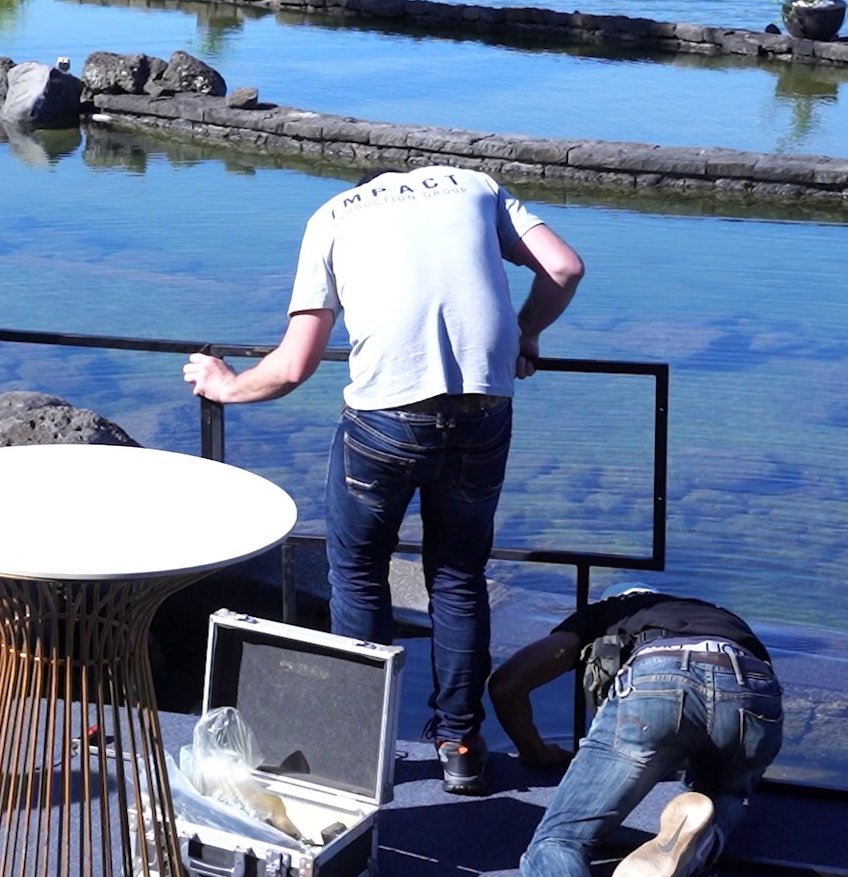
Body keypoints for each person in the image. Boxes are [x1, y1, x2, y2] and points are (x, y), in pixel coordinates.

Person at [182, 164, 583, 795]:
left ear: (366, 188)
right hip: (483, 412)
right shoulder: (474, 186)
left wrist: (225, 385)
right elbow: (563, 268)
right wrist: (525, 332)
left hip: (385, 425)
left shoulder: (334, 218)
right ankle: (461, 745)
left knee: (361, 576)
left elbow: (293, 366)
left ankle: (363, 746)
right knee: (457, 578)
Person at [490, 584, 785, 877]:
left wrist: (535, 751)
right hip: (753, 686)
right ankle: (701, 840)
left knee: (558, 841)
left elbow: (507, 684)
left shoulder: (614, 610)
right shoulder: (718, 615)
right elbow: (715, 692)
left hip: (659, 677)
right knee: (724, 795)